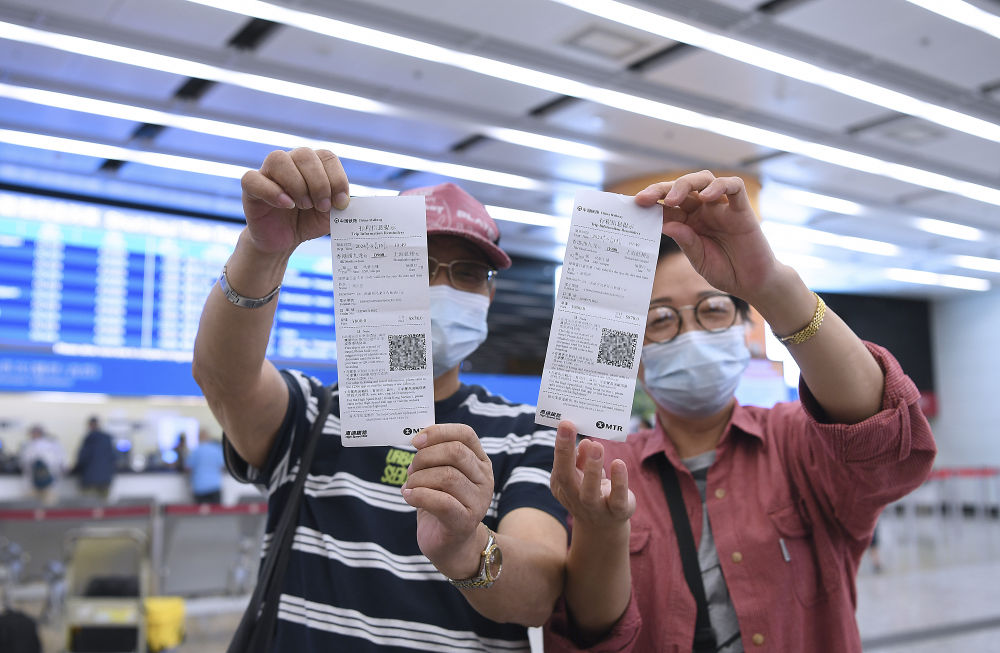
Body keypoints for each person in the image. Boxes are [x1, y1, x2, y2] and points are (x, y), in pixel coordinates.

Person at [191, 148, 567, 651]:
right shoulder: (313, 414)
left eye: (468, 273)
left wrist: (465, 544)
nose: (442, 285)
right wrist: (262, 251)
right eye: (419, 264)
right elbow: (224, 378)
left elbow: (540, 594)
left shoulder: (526, 434)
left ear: (489, 296)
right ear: (379, 277)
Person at [544, 171, 936, 652]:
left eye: (712, 310)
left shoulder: (797, 442)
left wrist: (769, 285)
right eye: (661, 320)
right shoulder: (603, 469)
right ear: (636, 359)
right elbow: (590, 633)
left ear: (743, 331)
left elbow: (886, 441)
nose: (690, 334)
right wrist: (599, 530)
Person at [18, 424, 66, 506]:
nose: (34, 435)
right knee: (32, 505)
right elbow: (24, 463)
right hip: (33, 483)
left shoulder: (51, 445)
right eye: (33, 433)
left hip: (49, 482)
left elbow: (60, 461)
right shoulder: (28, 445)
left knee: (49, 504)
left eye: (36, 433)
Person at [72, 416, 115, 501]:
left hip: (89, 479)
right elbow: (114, 457)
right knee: (104, 507)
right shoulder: (107, 438)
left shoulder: (89, 439)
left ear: (90, 425)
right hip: (105, 479)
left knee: (88, 506)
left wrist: (73, 471)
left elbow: (82, 459)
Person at [184, 429, 225, 504]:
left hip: (199, 487)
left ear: (199, 438)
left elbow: (188, 468)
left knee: (200, 514)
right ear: (209, 437)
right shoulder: (216, 450)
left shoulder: (195, 451)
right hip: (214, 486)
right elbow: (222, 466)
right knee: (217, 513)